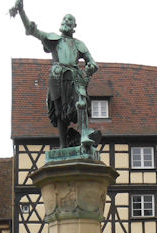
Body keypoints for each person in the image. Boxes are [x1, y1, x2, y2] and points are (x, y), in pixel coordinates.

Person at [11, 0, 100, 151]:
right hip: (57, 76)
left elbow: (92, 62)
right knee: (59, 112)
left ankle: (84, 132)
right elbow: (32, 30)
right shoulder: (54, 39)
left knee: (82, 100)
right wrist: (21, 12)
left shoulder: (79, 44)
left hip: (74, 75)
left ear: (74, 27)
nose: (66, 22)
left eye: (69, 20)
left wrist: (91, 66)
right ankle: (63, 145)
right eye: (65, 19)